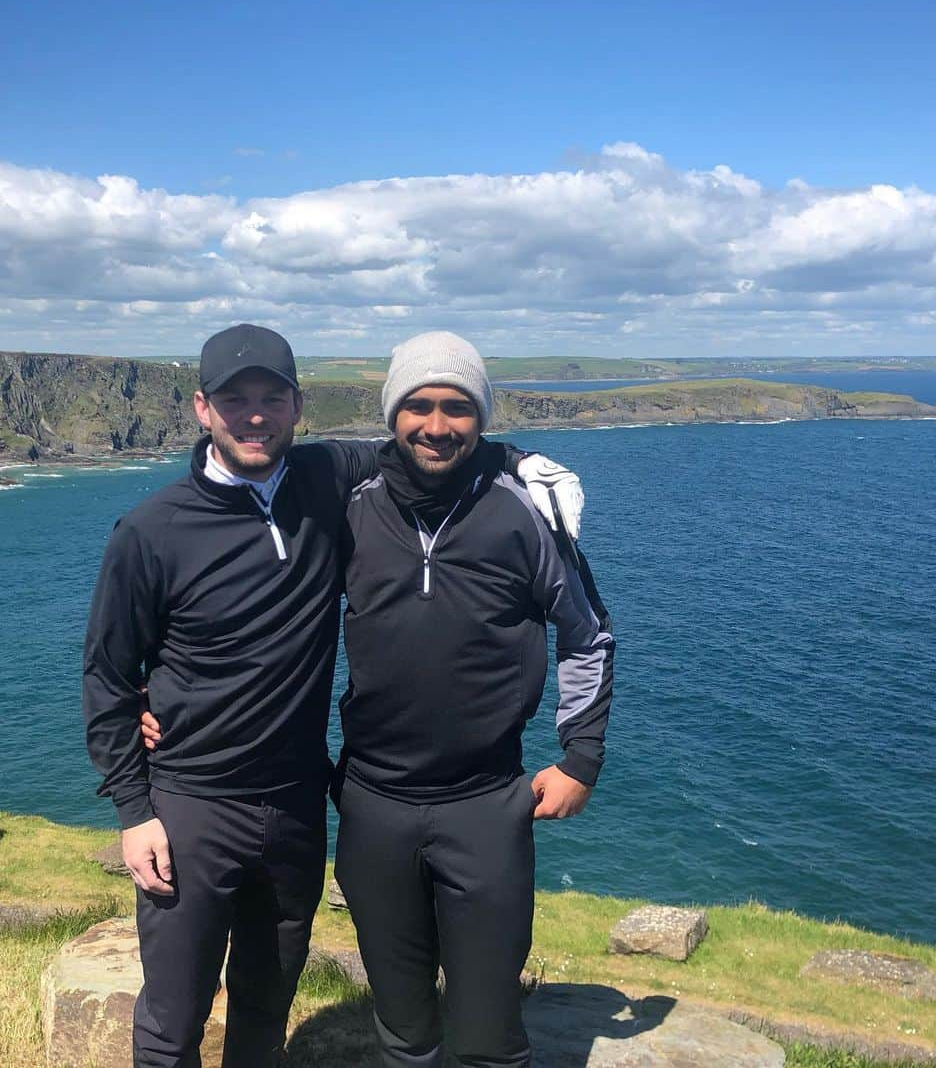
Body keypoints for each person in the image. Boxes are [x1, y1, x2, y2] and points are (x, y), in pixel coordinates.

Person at [83, 323, 584, 1068]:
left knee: (265, 1003)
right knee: (171, 1019)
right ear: (201, 408)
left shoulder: (326, 479)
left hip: (295, 805)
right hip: (192, 806)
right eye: (234, 399)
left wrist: (524, 462)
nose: (255, 415)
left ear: (297, 406)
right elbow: (107, 675)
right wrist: (134, 810)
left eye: (272, 398)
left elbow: (434, 444)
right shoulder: (150, 532)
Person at [331, 332, 614, 1068]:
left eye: (457, 407)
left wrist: (580, 756)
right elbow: (261, 605)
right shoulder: (352, 508)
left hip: (485, 804)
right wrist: (162, 683)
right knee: (403, 1023)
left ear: (481, 417)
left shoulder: (523, 511)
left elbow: (587, 634)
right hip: (371, 802)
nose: (436, 424)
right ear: (391, 413)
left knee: (489, 1031)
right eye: (417, 405)